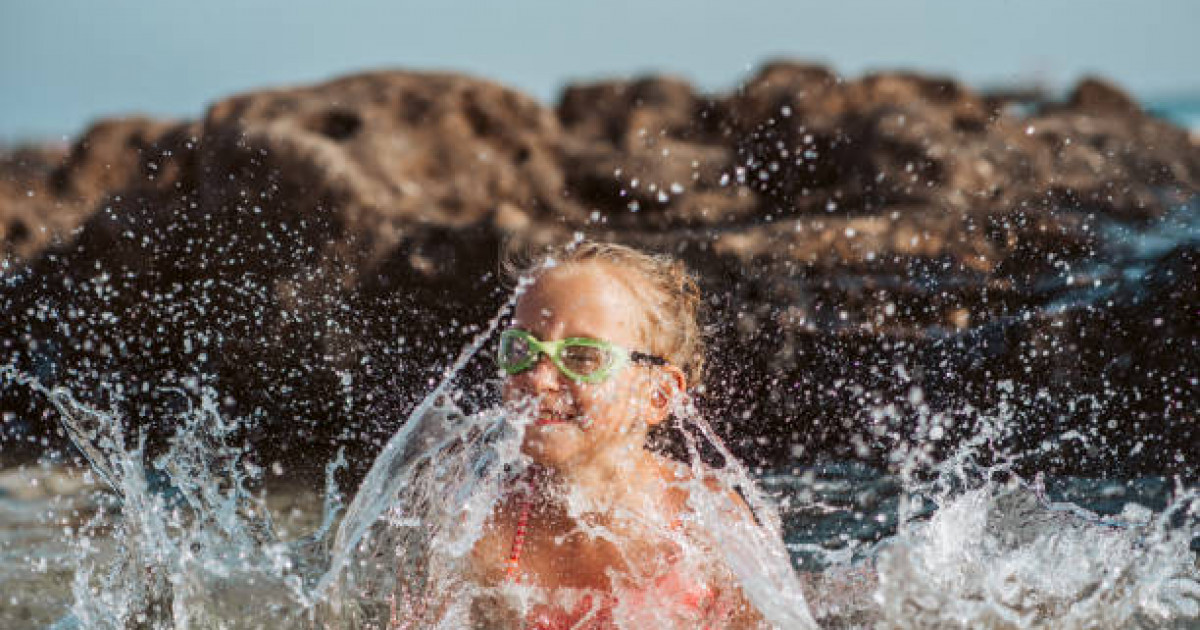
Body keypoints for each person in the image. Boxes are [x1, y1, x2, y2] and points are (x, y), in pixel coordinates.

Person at [465, 241, 769, 629]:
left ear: (657, 394)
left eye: (582, 357)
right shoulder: (486, 534)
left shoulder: (705, 522)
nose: (538, 379)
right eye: (522, 348)